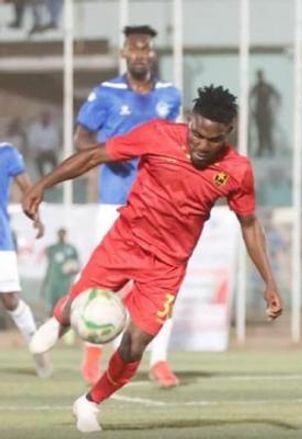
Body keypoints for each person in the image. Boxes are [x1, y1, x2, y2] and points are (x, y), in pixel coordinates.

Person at [25, 85, 283, 433]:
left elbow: (250, 225)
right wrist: (42, 184)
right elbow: (94, 156)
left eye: (213, 140)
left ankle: (90, 403)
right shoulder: (157, 135)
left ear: (228, 134)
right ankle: (59, 319)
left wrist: (269, 281)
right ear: (189, 121)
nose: (201, 145)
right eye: (197, 134)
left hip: (166, 267)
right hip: (125, 242)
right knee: (76, 307)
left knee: (136, 344)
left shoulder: (236, 171)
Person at [73, 25, 182, 387]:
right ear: (124, 54)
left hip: (159, 206)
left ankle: (159, 361)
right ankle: (92, 354)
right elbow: (81, 136)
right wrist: (106, 150)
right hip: (115, 199)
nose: (140, 55)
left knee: (161, 285)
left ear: (152, 54)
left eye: (145, 49)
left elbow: (178, 143)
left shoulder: (170, 96)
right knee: (105, 280)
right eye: (133, 49)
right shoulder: (106, 93)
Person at [0, 140, 50, 378]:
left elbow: (28, 188)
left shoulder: (6, 152)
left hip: (0, 237)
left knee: (9, 299)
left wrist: (36, 217)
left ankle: (37, 348)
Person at [42, 228, 80, 314]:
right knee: (51, 305)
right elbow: (49, 265)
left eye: (63, 234)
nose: (61, 236)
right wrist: (45, 282)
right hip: (53, 281)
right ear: (57, 235)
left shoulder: (71, 249)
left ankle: (62, 324)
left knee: (64, 305)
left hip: (65, 283)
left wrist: (73, 270)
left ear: (66, 235)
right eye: (60, 234)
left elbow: (77, 265)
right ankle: (50, 322)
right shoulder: (52, 248)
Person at [249, 69, 280, 157]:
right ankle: (261, 150)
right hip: (259, 113)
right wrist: (251, 110)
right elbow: (249, 97)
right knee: (260, 132)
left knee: (268, 132)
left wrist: (275, 109)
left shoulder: (267, 86)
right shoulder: (256, 87)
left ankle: (270, 150)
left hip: (266, 112)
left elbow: (277, 96)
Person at [26, 111, 59, 177]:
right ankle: (42, 179)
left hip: (49, 152)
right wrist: (38, 148)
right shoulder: (35, 128)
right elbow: (32, 140)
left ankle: (54, 179)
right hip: (39, 152)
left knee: (55, 164)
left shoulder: (52, 128)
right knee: (39, 164)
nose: (46, 119)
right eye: (44, 117)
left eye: (47, 117)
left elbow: (55, 141)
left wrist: (52, 149)